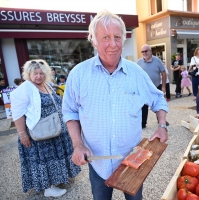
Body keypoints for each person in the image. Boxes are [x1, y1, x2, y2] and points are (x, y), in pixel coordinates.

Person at [62, 10, 168, 200]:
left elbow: (158, 99)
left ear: (124, 39)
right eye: (105, 37)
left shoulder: (136, 73)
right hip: (98, 163)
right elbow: (70, 112)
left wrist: (161, 125)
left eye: (117, 37)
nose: (113, 44)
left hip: (132, 159)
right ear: (93, 40)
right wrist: (78, 145)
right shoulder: (78, 75)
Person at [10, 59, 81, 197]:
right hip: (40, 133)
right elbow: (17, 113)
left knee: (54, 158)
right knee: (44, 160)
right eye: (35, 73)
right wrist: (22, 134)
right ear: (28, 74)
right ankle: (48, 188)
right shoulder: (25, 88)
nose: (38, 76)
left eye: (41, 73)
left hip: (54, 130)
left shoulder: (47, 85)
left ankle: (56, 179)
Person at [137, 44, 167, 128]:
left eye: (146, 51)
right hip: (144, 88)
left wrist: (163, 86)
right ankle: (143, 123)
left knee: (158, 104)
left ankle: (161, 122)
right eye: (142, 51)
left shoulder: (157, 60)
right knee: (143, 106)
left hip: (156, 86)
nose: (144, 53)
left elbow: (163, 73)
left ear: (150, 51)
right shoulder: (139, 62)